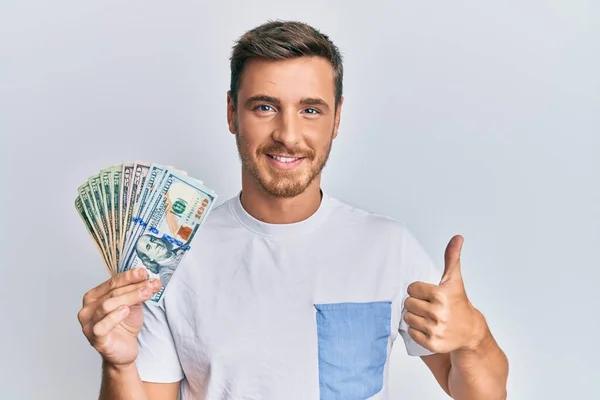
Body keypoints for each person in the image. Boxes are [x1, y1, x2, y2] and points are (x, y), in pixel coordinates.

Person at [77, 20, 509, 400]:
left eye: (310, 110)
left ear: (336, 118)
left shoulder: (389, 247)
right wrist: (119, 365)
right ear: (232, 113)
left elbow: (482, 395)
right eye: (265, 107)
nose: (287, 134)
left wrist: (475, 338)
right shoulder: (172, 255)